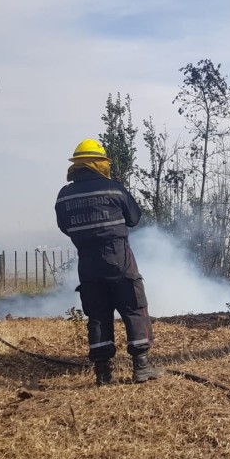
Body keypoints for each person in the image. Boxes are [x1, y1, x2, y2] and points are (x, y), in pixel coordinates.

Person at [54, 138, 161, 385]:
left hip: (87, 262)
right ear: (99, 163)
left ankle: (103, 373)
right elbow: (133, 218)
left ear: (77, 165)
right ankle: (142, 367)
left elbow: (64, 227)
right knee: (134, 307)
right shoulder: (114, 189)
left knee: (98, 314)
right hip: (119, 258)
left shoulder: (64, 196)